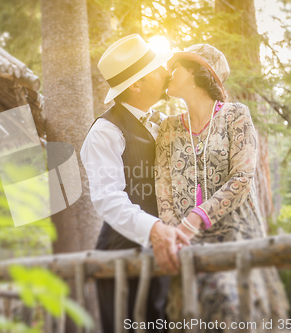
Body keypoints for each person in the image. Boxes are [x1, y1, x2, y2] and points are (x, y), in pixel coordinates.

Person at [155, 44, 289, 331]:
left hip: (235, 232)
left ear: (196, 74)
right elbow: (163, 187)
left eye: (176, 67)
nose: (168, 73)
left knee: (233, 307)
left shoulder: (235, 115)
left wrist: (195, 219)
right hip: (186, 240)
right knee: (192, 316)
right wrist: (172, 232)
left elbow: (242, 177)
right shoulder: (168, 128)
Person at [80, 34, 189, 333]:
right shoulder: (105, 132)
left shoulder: (165, 122)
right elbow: (107, 199)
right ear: (135, 85)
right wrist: (153, 229)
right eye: (157, 68)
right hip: (122, 258)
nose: (166, 71)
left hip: (165, 253)